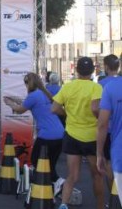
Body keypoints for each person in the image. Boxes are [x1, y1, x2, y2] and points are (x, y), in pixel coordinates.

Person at [52, 57, 104, 209]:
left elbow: (54, 108)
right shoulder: (96, 88)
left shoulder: (68, 87)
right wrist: (99, 118)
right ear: (93, 71)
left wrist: (67, 114)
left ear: (77, 70)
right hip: (91, 136)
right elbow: (95, 108)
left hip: (72, 135)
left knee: (72, 175)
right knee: (97, 175)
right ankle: (100, 206)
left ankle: (63, 205)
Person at [4, 72, 65, 195]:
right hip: (59, 133)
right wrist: (14, 100)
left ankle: (58, 181)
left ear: (28, 84)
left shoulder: (33, 96)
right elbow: (25, 103)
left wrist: (9, 103)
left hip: (47, 134)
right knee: (50, 163)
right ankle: (54, 184)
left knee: (36, 160)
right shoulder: (45, 93)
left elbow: (20, 109)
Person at [96, 57, 122, 205]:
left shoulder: (109, 87)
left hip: (116, 143)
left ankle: (114, 197)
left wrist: (99, 153)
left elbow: (102, 124)